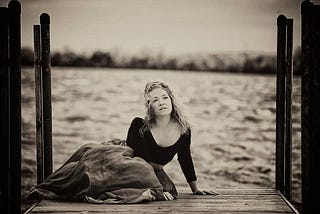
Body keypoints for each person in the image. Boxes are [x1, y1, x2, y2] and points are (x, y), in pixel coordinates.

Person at [126, 80, 219, 200]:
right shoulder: (140, 126)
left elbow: (185, 158)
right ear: (149, 106)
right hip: (130, 167)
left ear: (171, 100)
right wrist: (156, 190)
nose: (161, 103)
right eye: (155, 100)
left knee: (172, 193)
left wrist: (195, 189)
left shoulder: (184, 129)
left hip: (154, 172)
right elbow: (138, 161)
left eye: (165, 97)